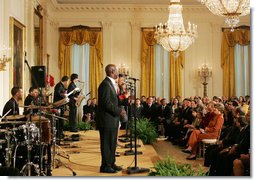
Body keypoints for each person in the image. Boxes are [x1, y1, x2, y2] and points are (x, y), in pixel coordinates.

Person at [96, 64, 126, 173]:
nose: (118, 72)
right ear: (112, 71)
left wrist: (124, 97)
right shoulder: (105, 84)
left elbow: (115, 101)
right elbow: (106, 103)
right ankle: (105, 166)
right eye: (117, 70)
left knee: (112, 143)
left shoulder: (111, 84)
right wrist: (119, 111)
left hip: (112, 119)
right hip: (106, 120)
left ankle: (111, 163)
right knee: (106, 144)